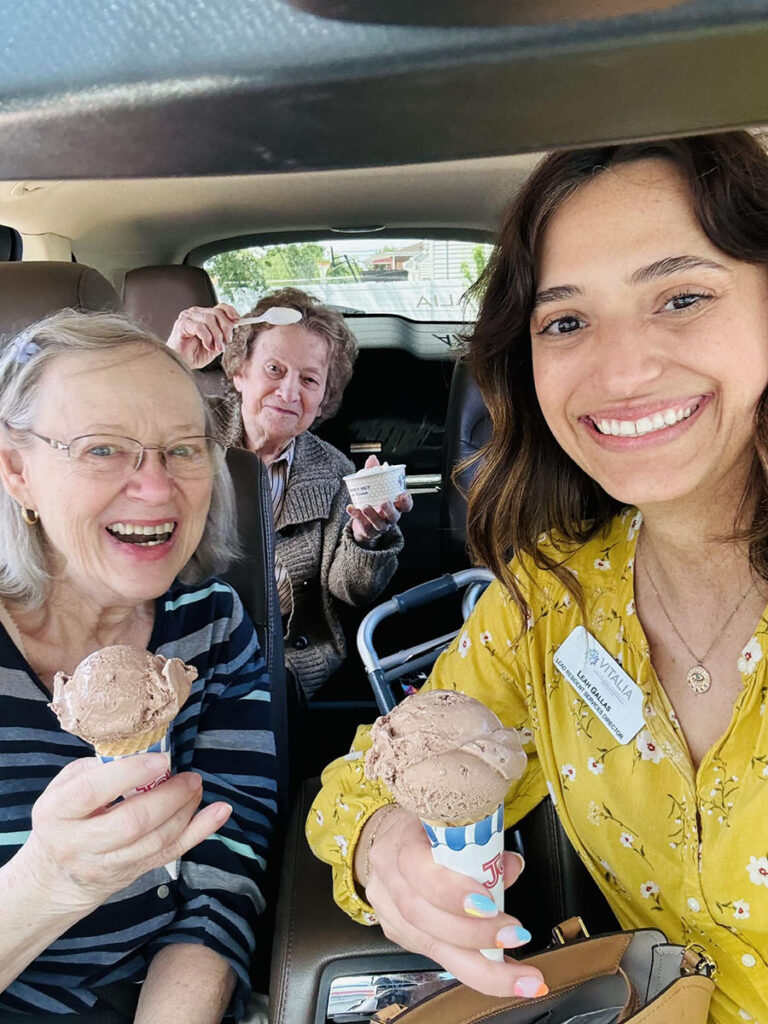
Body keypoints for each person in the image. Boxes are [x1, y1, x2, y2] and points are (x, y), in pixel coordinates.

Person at [305, 131, 768, 1024]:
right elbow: (369, 777)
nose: (622, 370)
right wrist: (386, 846)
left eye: (681, 296)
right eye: (564, 320)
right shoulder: (550, 601)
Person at [0, 310, 277, 1022]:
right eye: (102, 450)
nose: (156, 491)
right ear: (15, 470)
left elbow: (227, 868)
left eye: (182, 450)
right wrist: (49, 879)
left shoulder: (212, 627)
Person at [168, 287, 413, 699]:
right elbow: (116, 439)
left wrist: (366, 539)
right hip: (184, 642)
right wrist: (169, 364)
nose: (289, 392)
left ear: (322, 401)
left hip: (283, 666)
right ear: (240, 372)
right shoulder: (186, 424)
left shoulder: (335, 471)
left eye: (310, 380)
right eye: (275, 369)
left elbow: (348, 590)